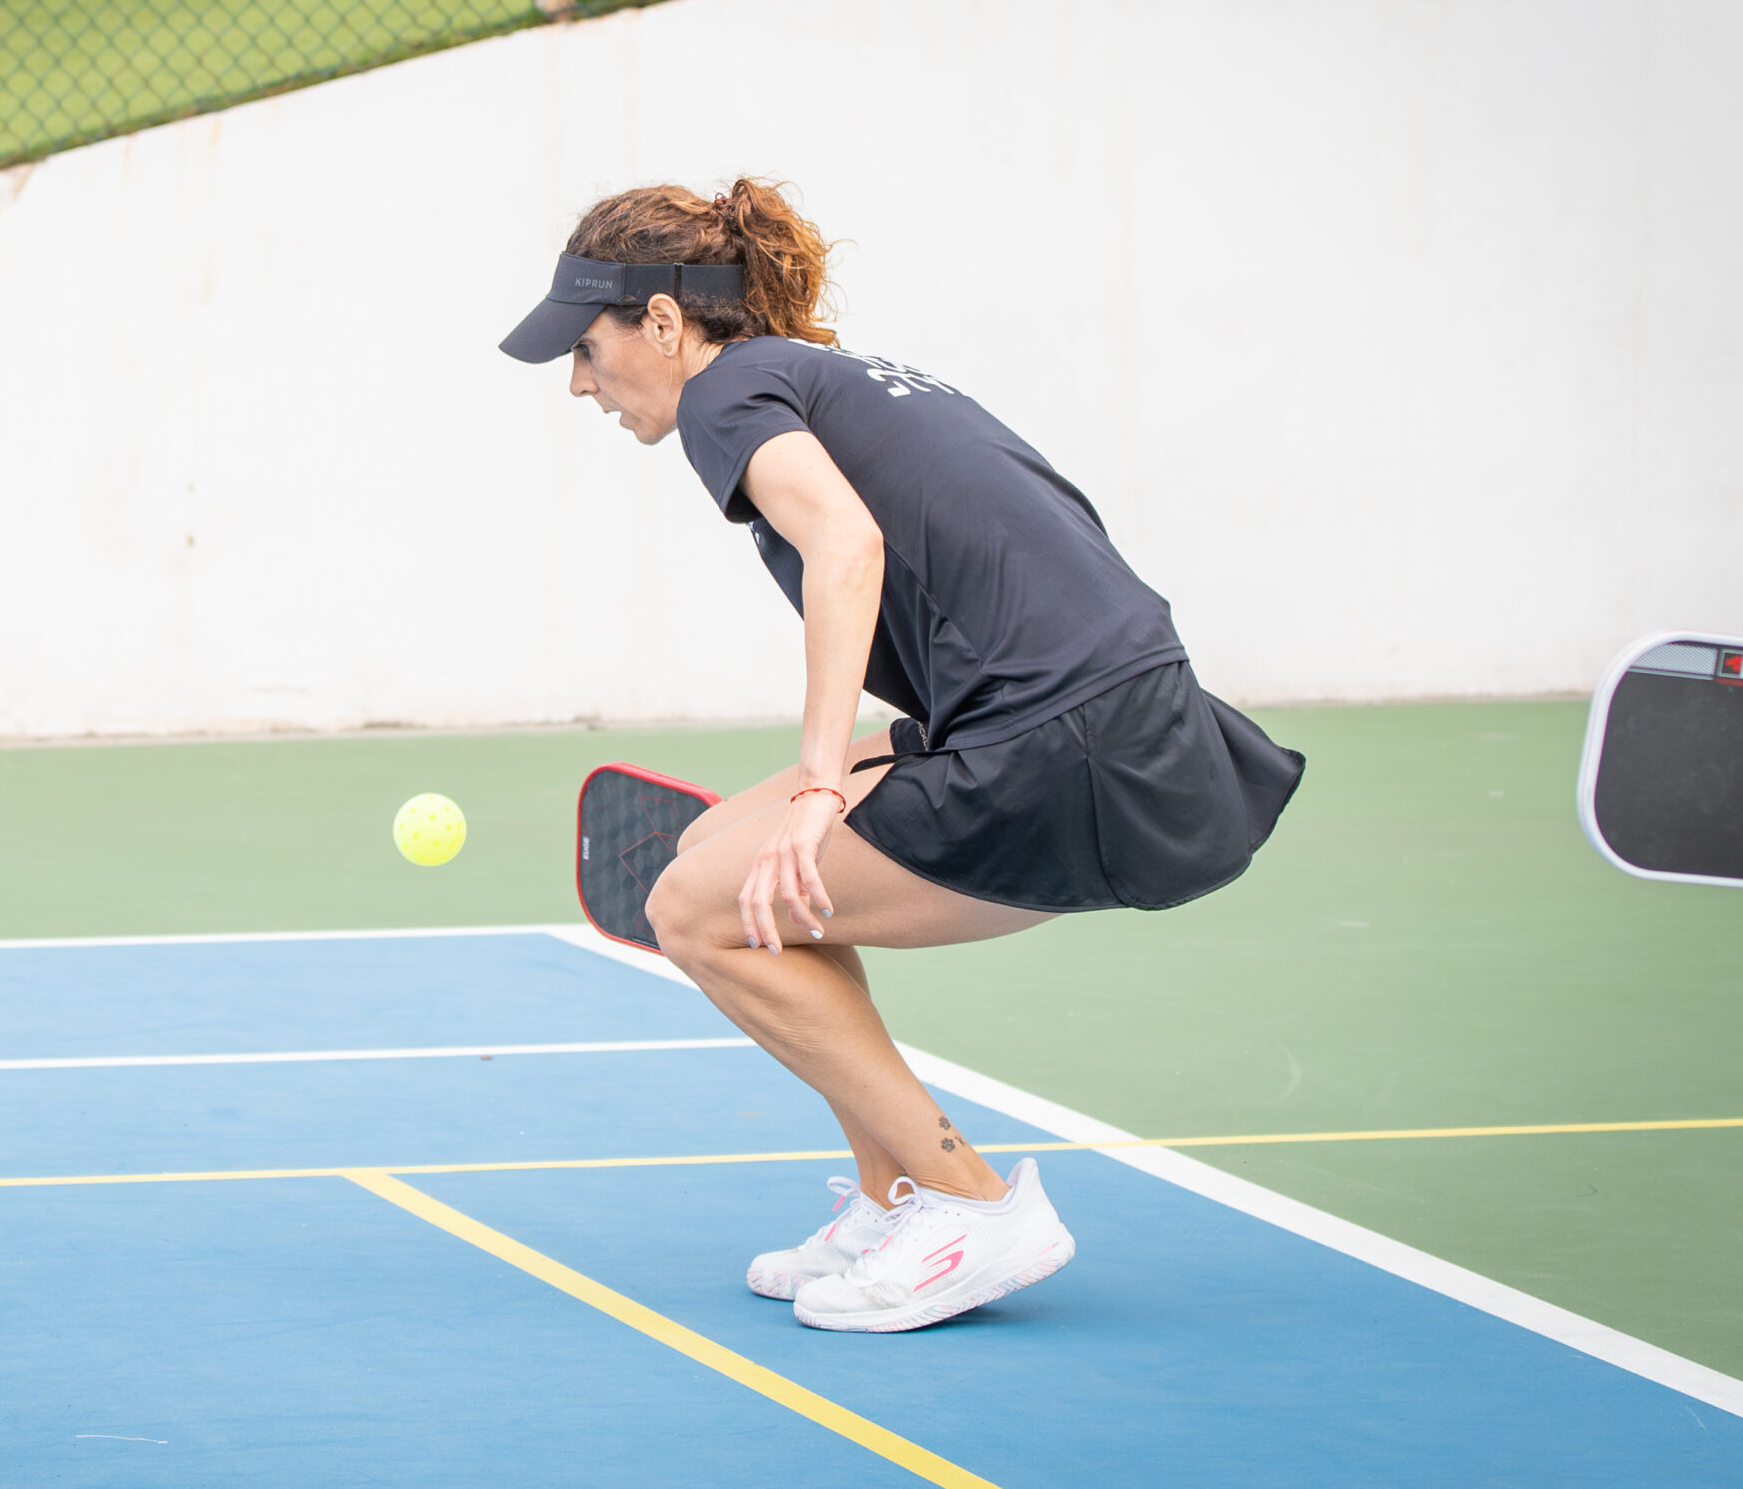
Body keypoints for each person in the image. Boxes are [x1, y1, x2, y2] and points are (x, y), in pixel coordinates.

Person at [499, 180, 1303, 1333]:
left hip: (1068, 745)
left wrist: (824, 780)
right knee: (716, 854)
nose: (581, 383)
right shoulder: (818, 376)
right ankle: (895, 1196)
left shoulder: (726, 391)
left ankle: (970, 1203)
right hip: (1119, 719)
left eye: (586, 349)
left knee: (691, 911)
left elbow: (846, 543)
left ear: (662, 323)